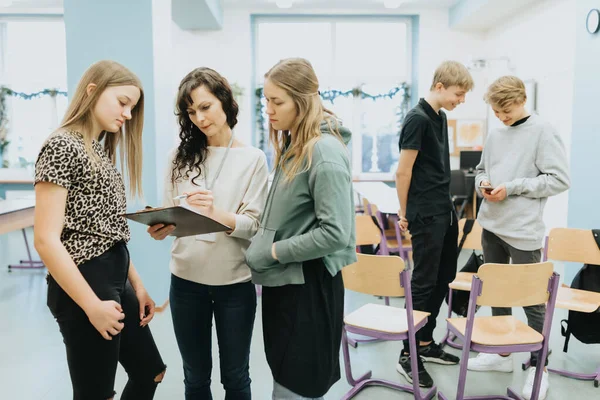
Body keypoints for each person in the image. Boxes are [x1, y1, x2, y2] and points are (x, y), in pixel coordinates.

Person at [34, 60, 166, 400]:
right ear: (92, 91)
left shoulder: (98, 151)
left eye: (132, 108)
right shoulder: (63, 145)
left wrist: (136, 285)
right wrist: (92, 305)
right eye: (122, 102)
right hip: (84, 284)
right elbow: (46, 240)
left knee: (151, 372)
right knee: (96, 394)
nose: (127, 114)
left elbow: (109, 230)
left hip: (114, 278)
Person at [147, 67, 268, 399]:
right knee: (195, 378)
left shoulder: (253, 159)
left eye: (205, 107)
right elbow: (172, 216)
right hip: (186, 284)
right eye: (190, 111)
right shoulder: (178, 157)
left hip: (234, 286)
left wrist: (215, 213)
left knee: (236, 378)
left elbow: (253, 227)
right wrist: (162, 229)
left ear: (225, 103)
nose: (198, 118)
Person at [245, 58, 356, 400]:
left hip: (307, 287)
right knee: (285, 377)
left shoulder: (322, 151)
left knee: (298, 385)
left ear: (302, 101)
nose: (269, 110)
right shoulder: (296, 145)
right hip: (286, 282)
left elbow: (335, 232)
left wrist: (274, 251)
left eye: (277, 102)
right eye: (266, 101)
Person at [470, 75, 570, 400]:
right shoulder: (496, 132)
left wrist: (513, 187)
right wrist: (482, 184)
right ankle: (501, 355)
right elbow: (482, 169)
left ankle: (538, 367)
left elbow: (558, 179)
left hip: (524, 230)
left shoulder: (543, 130)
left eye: (506, 110)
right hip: (492, 226)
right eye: (496, 112)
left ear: (521, 99)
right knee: (496, 291)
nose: (501, 117)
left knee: (531, 300)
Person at [395, 60, 474, 388]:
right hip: (425, 213)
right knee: (424, 282)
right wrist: (403, 214)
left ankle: (425, 343)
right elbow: (403, 171)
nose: (462, 100)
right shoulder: (417, 118)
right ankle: (407, 353)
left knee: (445, 277)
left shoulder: (439, 117)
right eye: (459, 93)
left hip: (444, 211)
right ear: (440, 86)